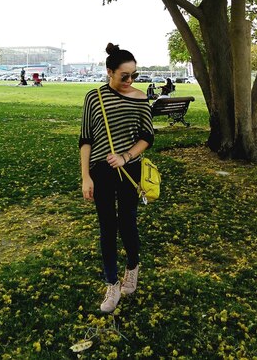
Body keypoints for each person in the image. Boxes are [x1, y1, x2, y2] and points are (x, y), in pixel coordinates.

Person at [80, 43, 154, 313]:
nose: (130, 80)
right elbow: (86, 139)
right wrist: (86, 176)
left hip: (129, 170)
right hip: (100, 171)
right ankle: (112, 284)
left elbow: (147, 137)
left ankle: (132, 267)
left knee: (127, 223)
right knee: (107, 227)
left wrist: (125, 156)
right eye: (124, 76)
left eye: (134, 74)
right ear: (109, 71)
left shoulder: (139, 98)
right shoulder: (93, 98)